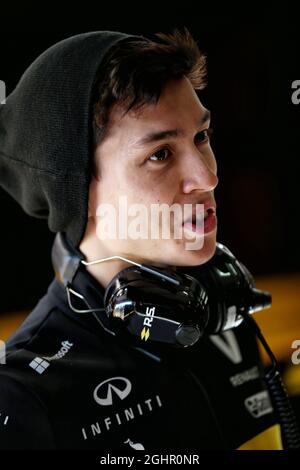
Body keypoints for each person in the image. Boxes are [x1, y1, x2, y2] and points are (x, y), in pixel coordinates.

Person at [0, 29, 282, 450]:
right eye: (160, 155)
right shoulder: (24, 398)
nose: (207, 177)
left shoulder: (219, 310)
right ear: (74, 192)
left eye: (200, 137)